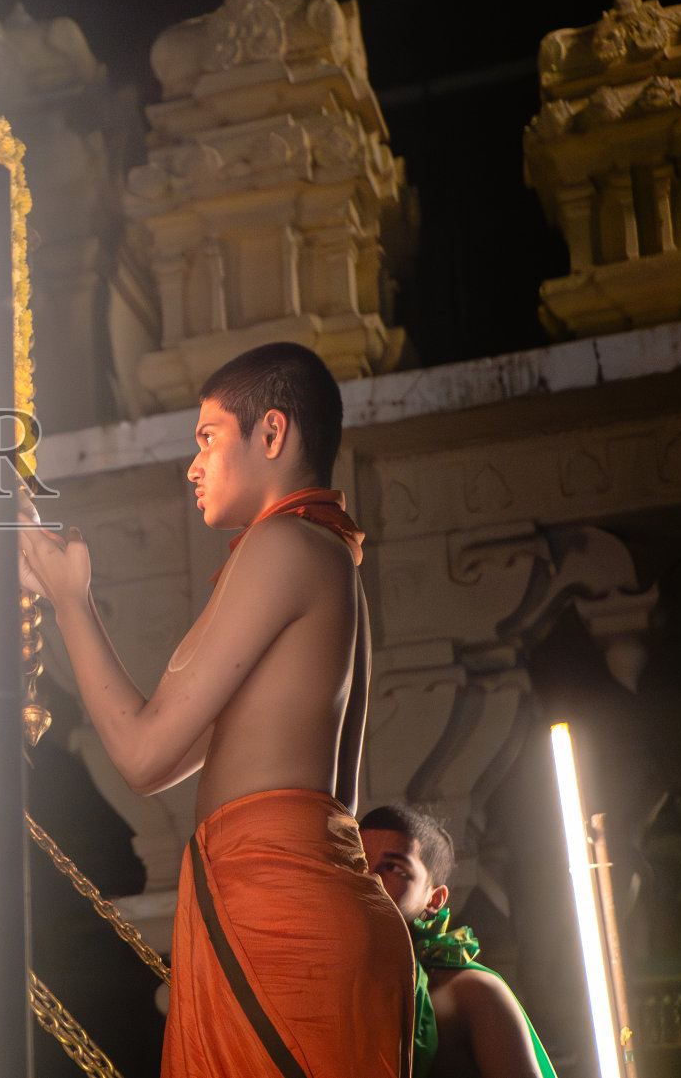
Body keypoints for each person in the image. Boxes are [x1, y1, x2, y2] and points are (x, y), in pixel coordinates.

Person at [20, 341, 414, 1078]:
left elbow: (140, 753)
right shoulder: (326, 558)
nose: (193, 465)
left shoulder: (281, 544)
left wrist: (71, 599)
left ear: (272, 432)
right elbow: (163, 751)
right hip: (310, 908)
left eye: (207, 438)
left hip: (279, 921)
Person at [359, 804, 556, 1078]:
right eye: (357, 864)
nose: (369, 879)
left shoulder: (472, 992)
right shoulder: (322, 978)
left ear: (434, 899)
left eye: (392, 867)